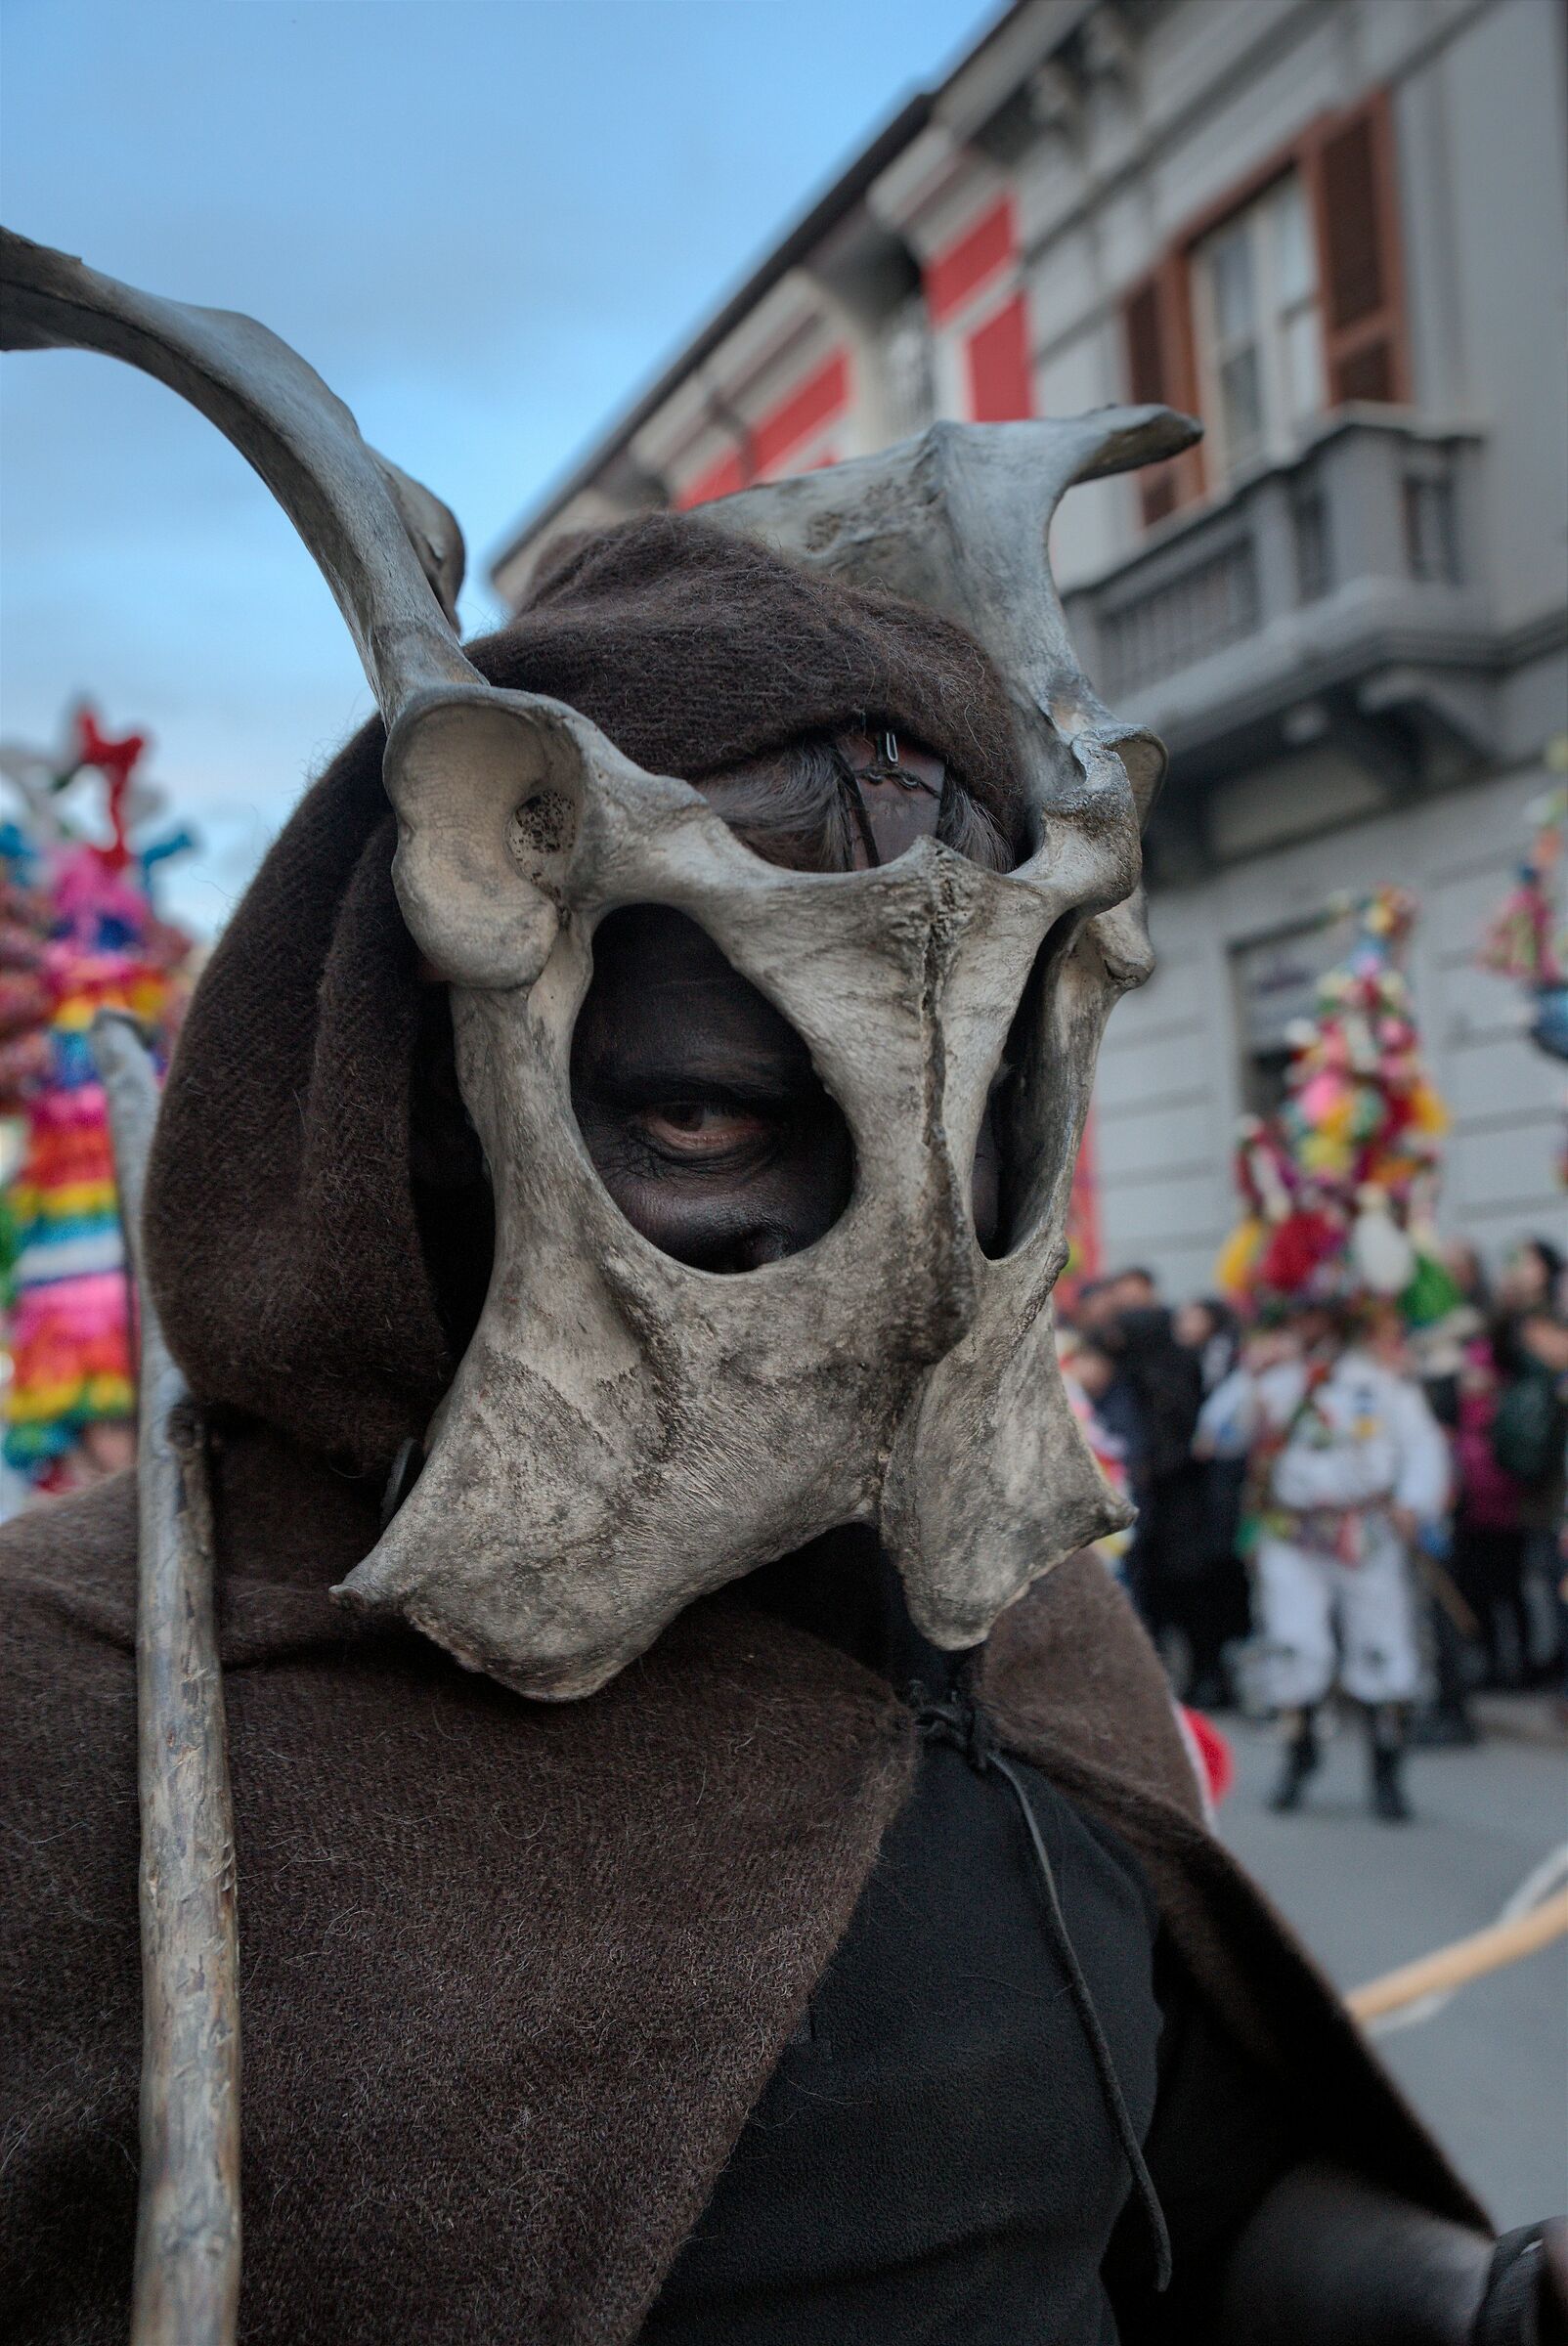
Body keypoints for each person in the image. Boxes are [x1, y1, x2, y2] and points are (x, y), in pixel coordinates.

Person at [2, 239, 1556, 2346]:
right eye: (719, 1126)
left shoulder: (1011, 1625)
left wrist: (1487, 2309)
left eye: (962, 1148)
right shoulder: (69, 1710)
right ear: (420, 1116)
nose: (905, 1304)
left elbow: (1181, 2208)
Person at [1215, 1301, 1451, 1822]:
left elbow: (1422, 1444)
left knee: (1381, 1645)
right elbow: (1221, 1436)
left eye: (1316, 1317)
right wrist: (1249, 1377)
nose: (1305, 1326)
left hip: (1365, 1532)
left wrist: (1415, 1501)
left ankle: (1386, 1773)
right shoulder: (1275, 1377)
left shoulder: (1382, 1380)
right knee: (1295, 1644)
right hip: (1291, 1532)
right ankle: (1300, 1758)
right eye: (1298, 1318)